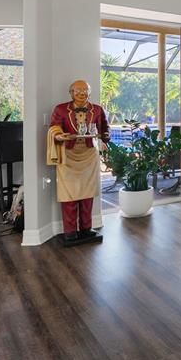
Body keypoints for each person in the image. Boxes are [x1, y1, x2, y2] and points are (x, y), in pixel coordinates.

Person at [47, 80, 110, 243]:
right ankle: (69, 231)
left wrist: (105, 137)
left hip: (89, 155)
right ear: (71, 93)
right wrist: (59, 135)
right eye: (78, 91)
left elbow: (104, 127)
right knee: (68, 193)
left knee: (88, 193)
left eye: (85, 90)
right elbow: (54, 126)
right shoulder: (60, 109)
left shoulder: (96, 109)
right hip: (68, 155)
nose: (82, 93)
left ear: (90, 92)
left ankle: (86, 228)